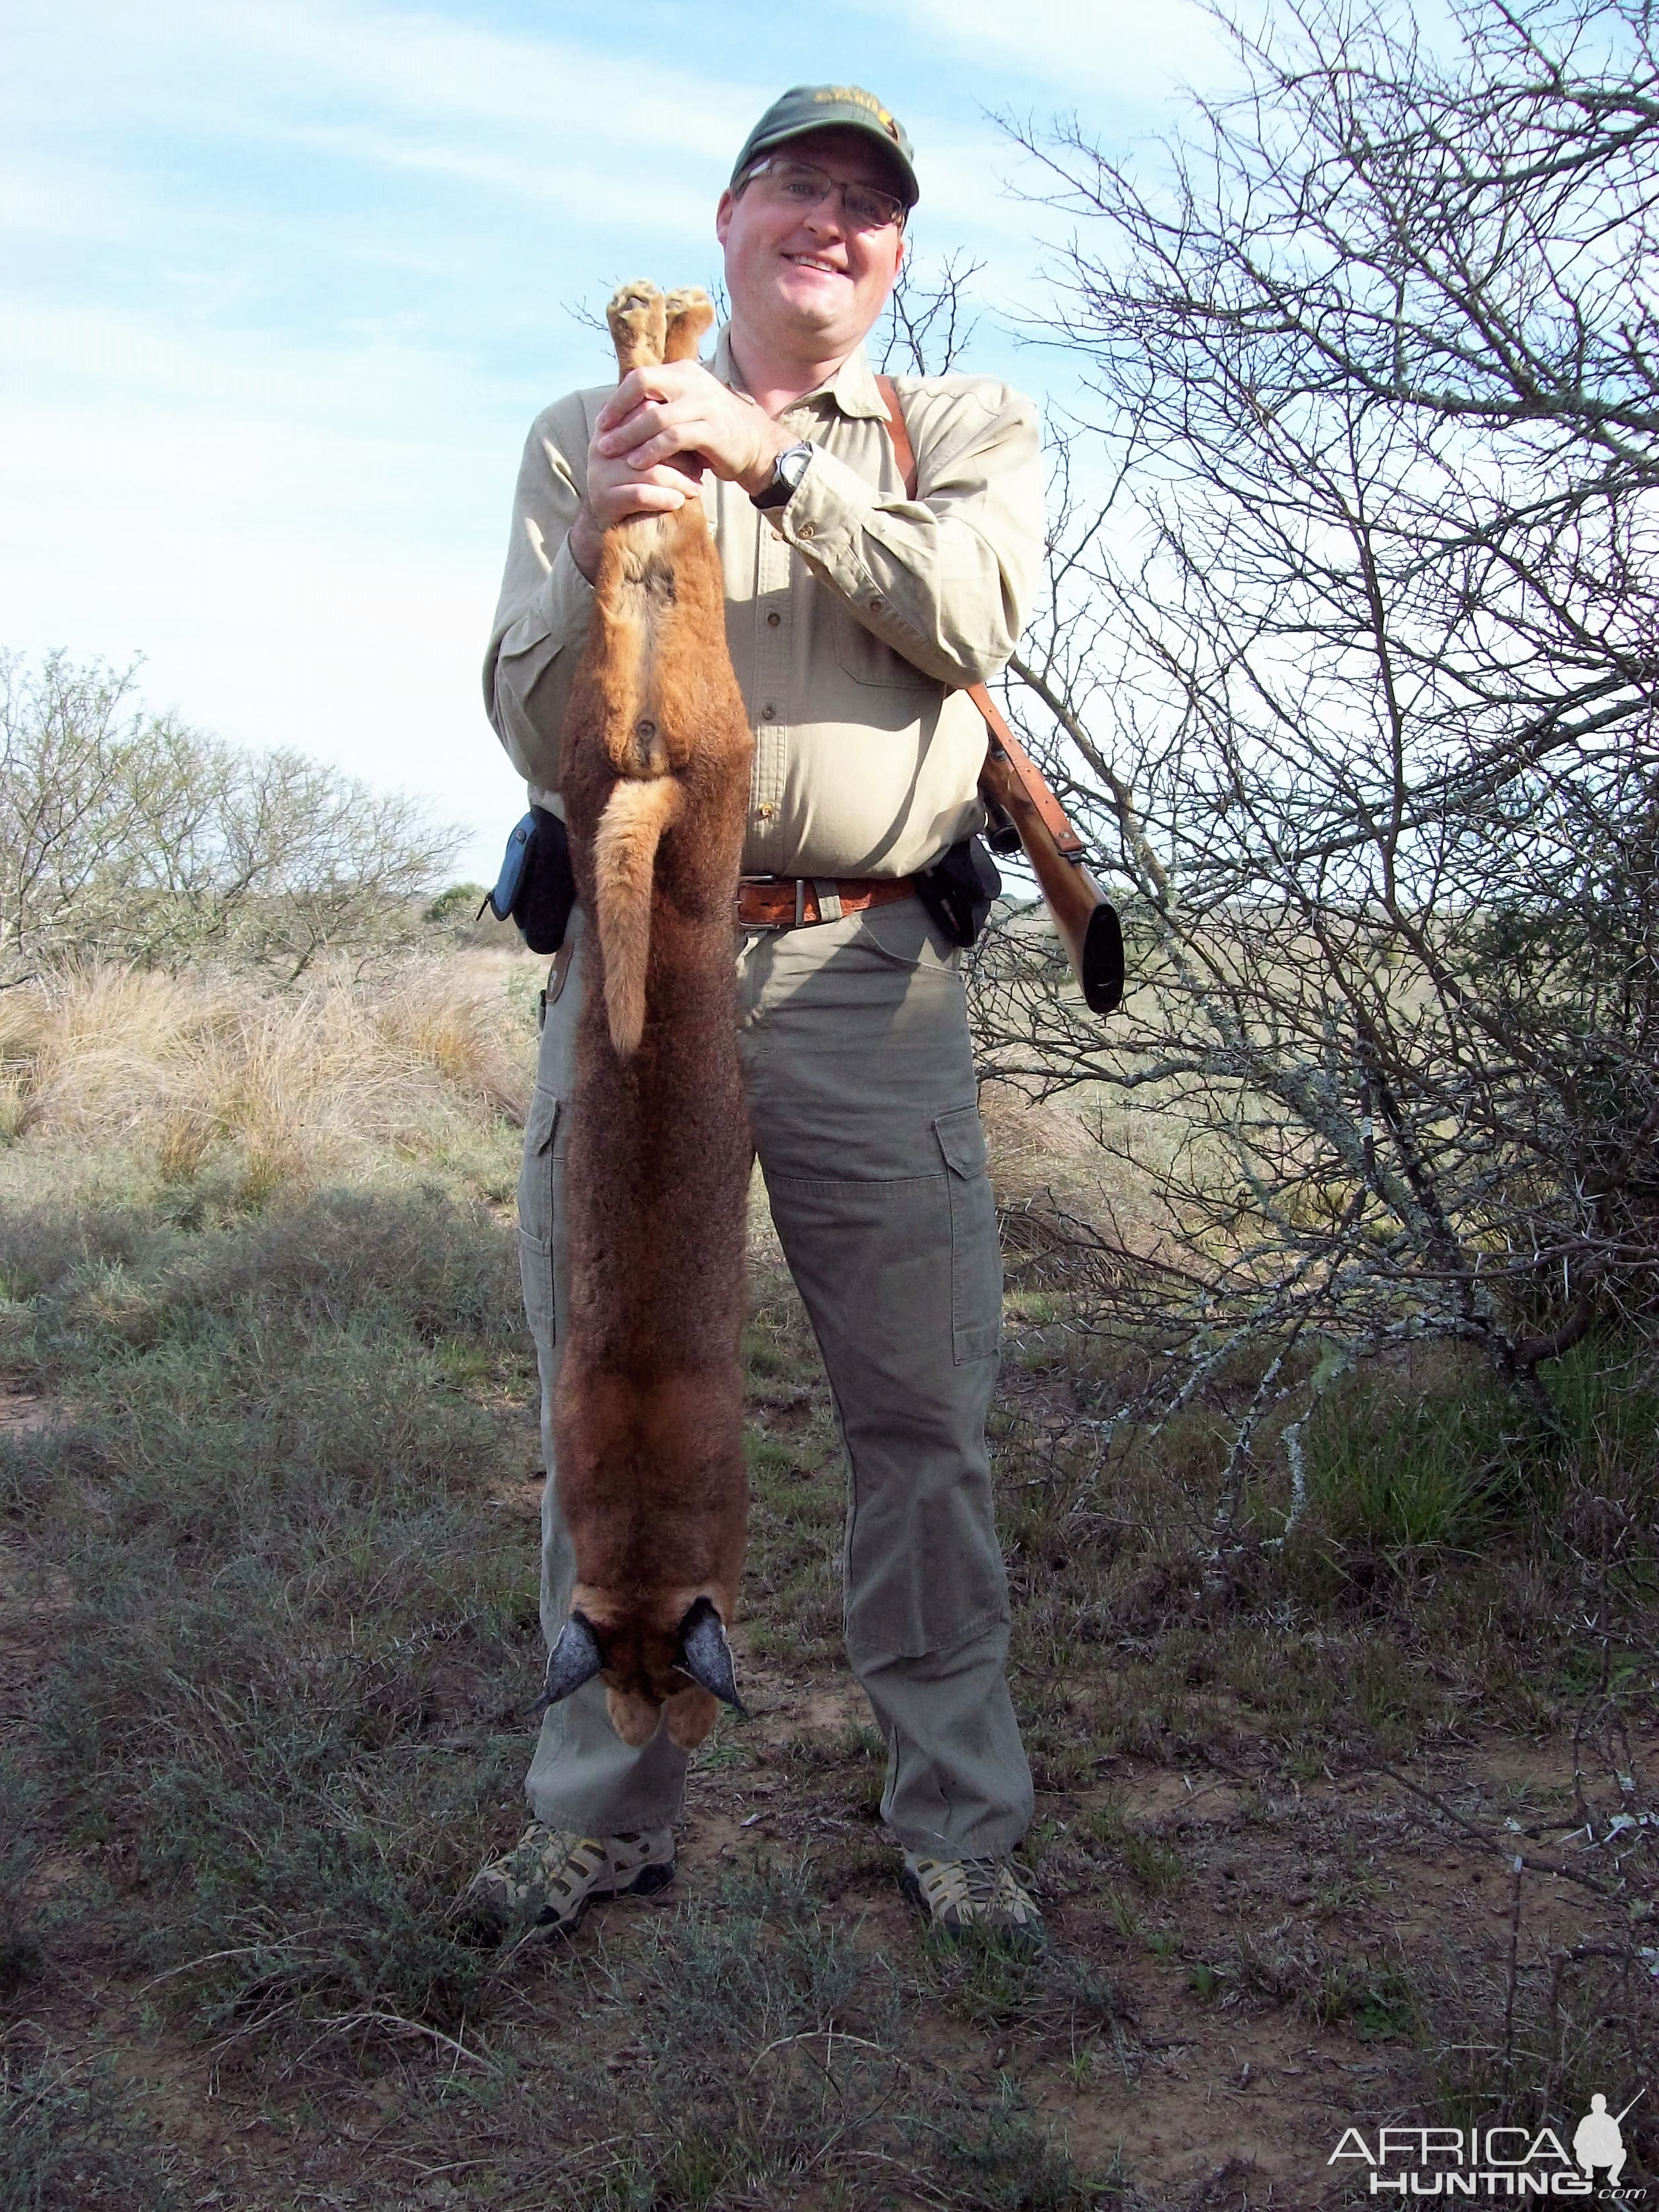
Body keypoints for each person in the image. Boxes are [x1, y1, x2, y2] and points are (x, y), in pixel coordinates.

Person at [470, 84, 1046, 1950]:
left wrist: (771, 463)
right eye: (801, 190)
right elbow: (519, 710)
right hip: (642, 967)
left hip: (867, 977)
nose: (836, 224)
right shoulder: (584, 427)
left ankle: (960, 1826)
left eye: (871, 207)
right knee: (600, 1403)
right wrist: (596, 546)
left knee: (918, 1414)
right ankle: (602, 1814)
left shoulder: (956, 425)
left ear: (896, 257)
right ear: (728, 220)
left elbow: (976, 618)